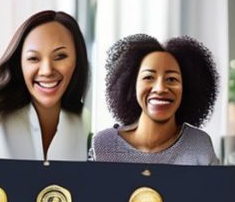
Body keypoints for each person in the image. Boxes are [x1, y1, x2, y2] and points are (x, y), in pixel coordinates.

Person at [0, 10, 90, 161]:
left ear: (77, 60)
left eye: (60, 56)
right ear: (19, 63)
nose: (47, 71)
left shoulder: (86, 122)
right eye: (34, 58)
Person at [90, 34, 219, 165]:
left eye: (171, 79)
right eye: (149, 77)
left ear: (187, 88)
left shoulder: (199, 145)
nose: (160, 88)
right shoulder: (104, 145)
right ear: (131, 84)